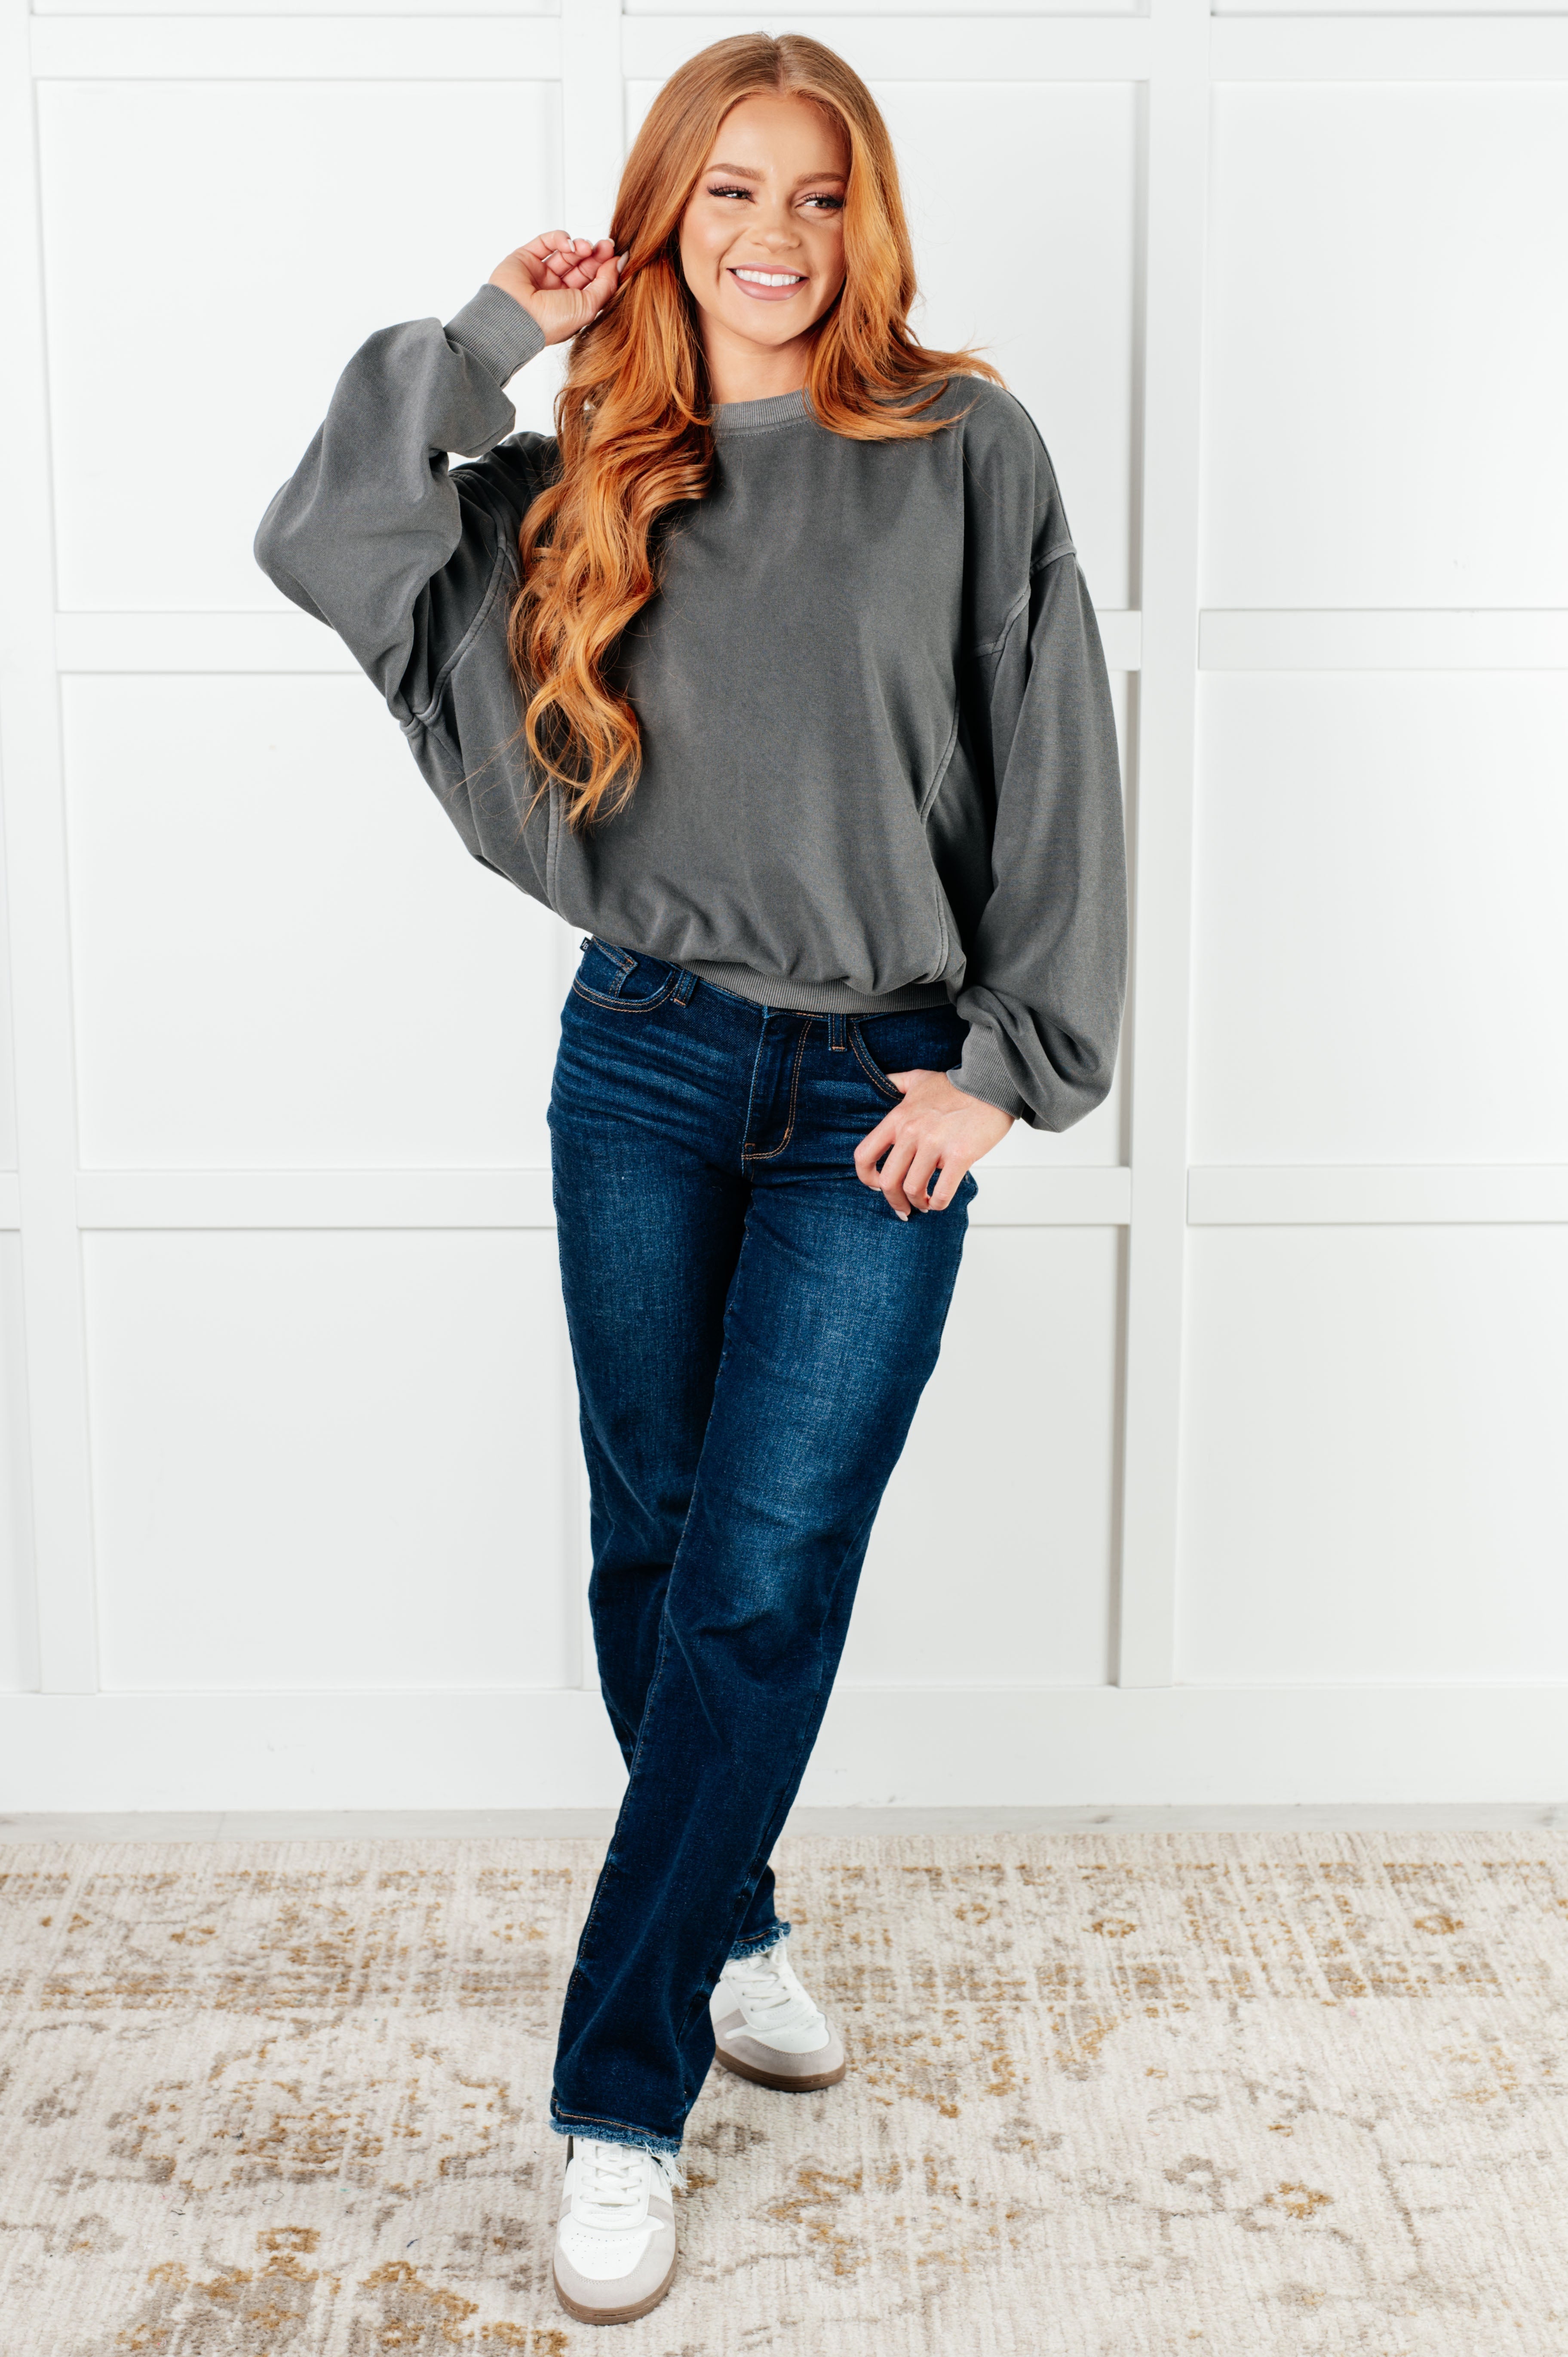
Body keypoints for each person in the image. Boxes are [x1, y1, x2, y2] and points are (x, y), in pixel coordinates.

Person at [254, 28, 1126, 2326]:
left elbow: (1058, 758)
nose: (774, 238)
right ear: (662, 214)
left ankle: (617, 2101)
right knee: (654, 1551)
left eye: (817, 197)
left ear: (869, 222)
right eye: (729, 192)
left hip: (879, 1100)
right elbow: (322, 538)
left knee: (757, 1573)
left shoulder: (963, 448)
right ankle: (729, 1915)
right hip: (638, 1070)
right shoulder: (576, 474)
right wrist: (481, 338)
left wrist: (1008, 1071)